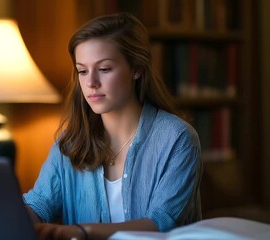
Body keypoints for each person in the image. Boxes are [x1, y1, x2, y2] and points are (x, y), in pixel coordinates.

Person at [23, 12, 202, 240]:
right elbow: (38, 205)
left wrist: (82, 231)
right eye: (82, 71)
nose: (91, 83)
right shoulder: (69, 144)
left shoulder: (177, 139)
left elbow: (162, 223)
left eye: (104, 69)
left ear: (136, 68)